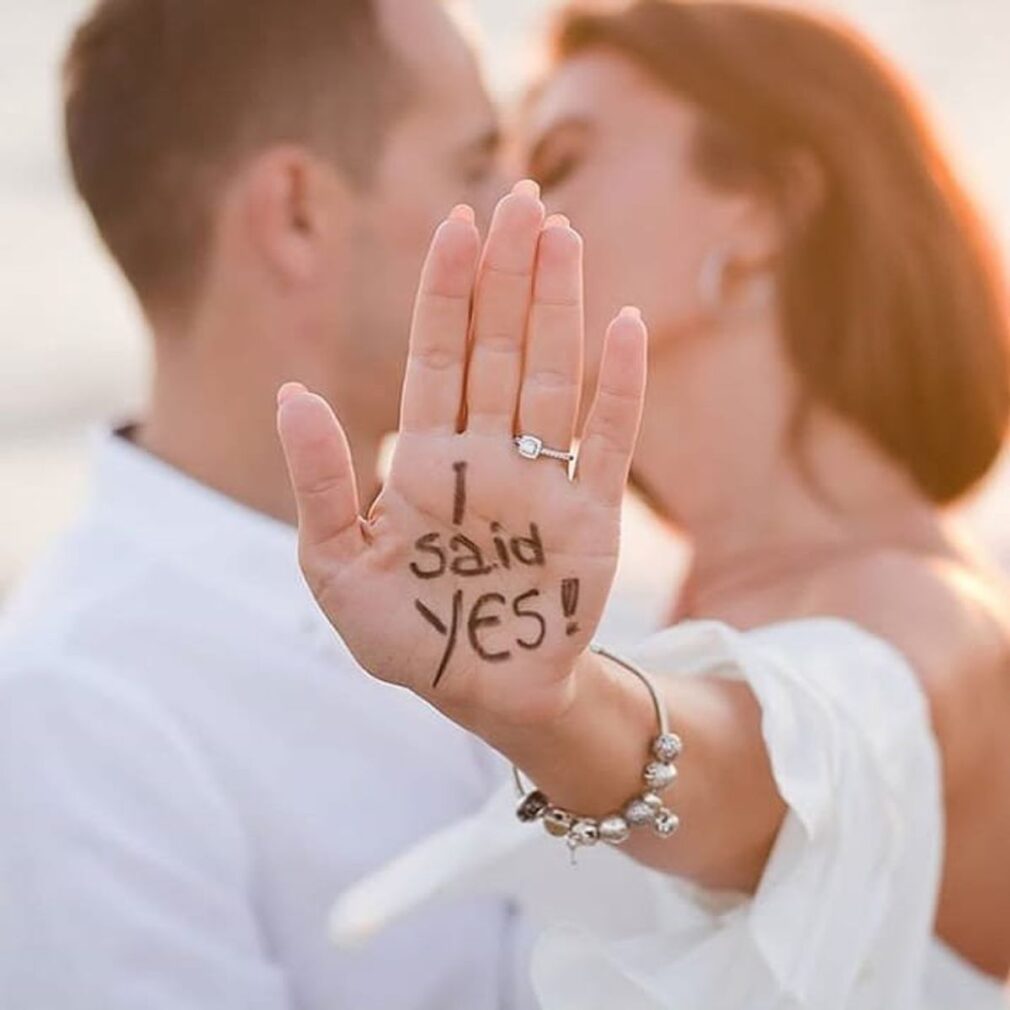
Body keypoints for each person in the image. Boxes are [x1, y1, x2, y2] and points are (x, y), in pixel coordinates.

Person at [275, 2, 1010, 1006]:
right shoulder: (642, 612)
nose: (507, 209)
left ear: (760, 211)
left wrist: (559, 707)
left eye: (562, 160)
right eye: (496, 169)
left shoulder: (931, 614)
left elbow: (777, 749)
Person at [0, 1, 538, 1008]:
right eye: (472, 168)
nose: (525, 208)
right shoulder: (76, 709)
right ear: (296, 212)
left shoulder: (498, 558)